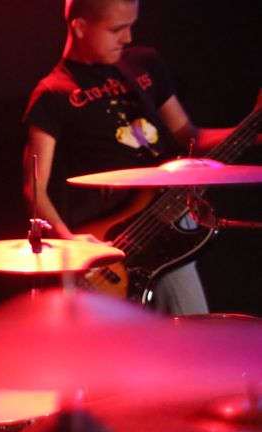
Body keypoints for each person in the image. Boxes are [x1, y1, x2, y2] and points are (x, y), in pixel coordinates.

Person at [22, 0, 249, 315]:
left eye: (130, 26)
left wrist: (251, 130)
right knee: (189, 322)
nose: (127, 38)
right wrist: (69, 240)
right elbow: (34, 186)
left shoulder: (145, 64)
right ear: (80, 27)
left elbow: (190, 137)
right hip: (114, 234)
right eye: (117, 29)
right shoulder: (53, 93)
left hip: (167, 211)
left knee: (190, 324)